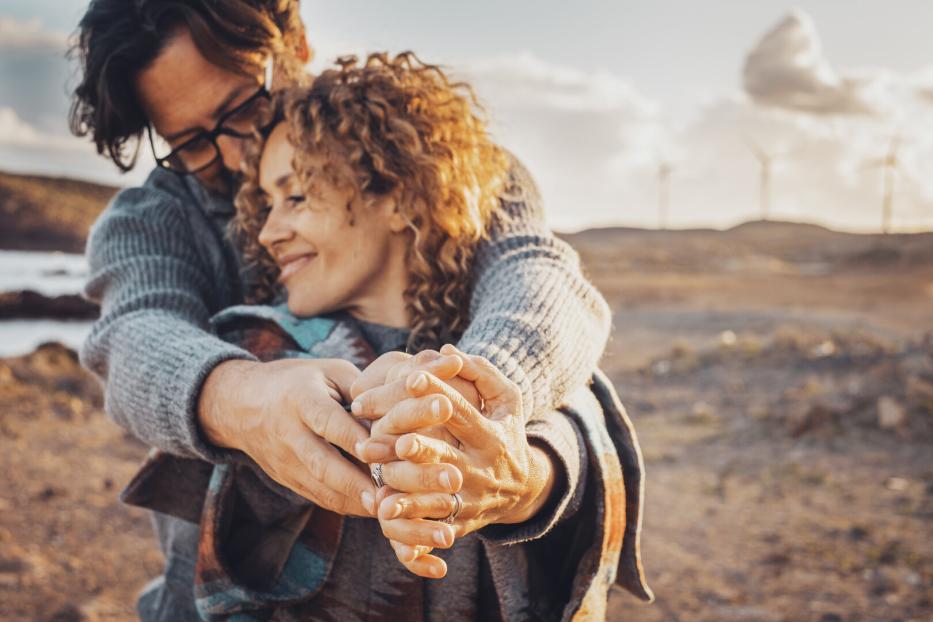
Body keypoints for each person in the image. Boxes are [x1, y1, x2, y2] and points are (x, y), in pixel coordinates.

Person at [121, 50, 650, 620]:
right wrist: (247, 406)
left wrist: (483, 430)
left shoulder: (528, 355)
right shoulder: (256, 347)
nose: (268, 233)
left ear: (396, 195)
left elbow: (550, 319)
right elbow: (136, 337)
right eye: (265, 204)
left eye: (295, 195)